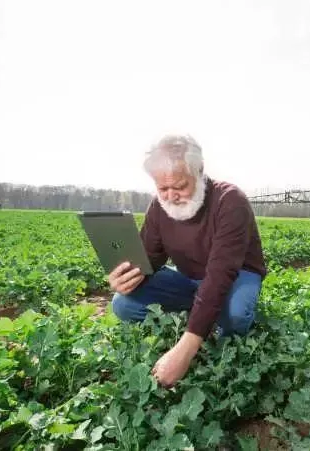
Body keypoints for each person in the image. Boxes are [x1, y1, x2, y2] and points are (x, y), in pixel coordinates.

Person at [108, 134, 267, 387]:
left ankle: (209, 317)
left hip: (236, 276)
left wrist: (186, 349)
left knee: (235, 315)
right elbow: (150, 257)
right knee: (123, 304)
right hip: (190, 279)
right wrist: (127, 276)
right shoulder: (159, 207)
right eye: (162, 188)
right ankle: (203, 313)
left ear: (200, 172)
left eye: (180, 186)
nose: (171, 196)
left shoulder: (230, 201)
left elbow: (220, 275)